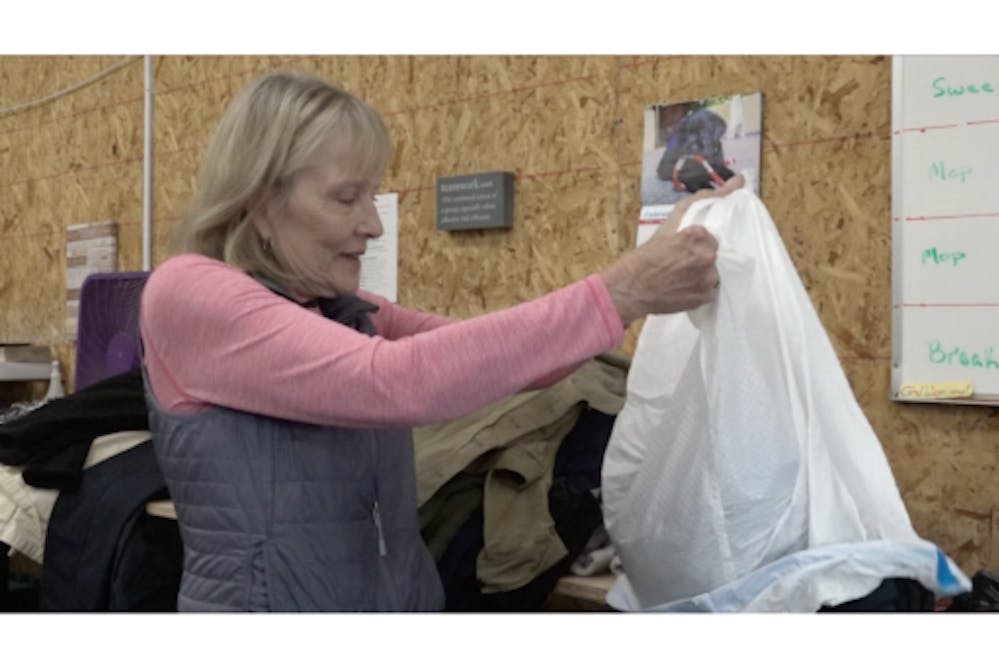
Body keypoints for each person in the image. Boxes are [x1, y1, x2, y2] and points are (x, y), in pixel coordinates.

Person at [139, 70, 745, 612]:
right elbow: (399, 382)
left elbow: (506, 367)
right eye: (347, 198)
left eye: (371, 197)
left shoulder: (341, 310)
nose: (372, 224)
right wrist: (622, 290)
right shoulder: (189, 294)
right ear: (259, 202)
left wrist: (640, 273)